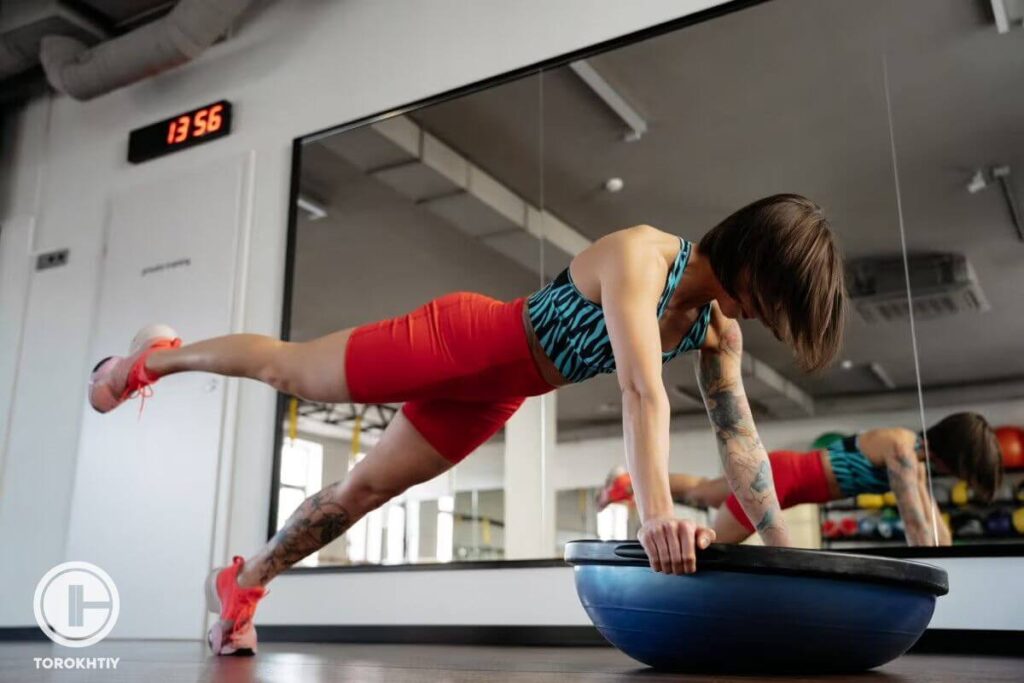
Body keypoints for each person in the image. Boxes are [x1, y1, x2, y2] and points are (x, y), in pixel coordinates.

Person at [87, 194, 846, 655]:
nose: (768, 319)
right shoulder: (644, 256)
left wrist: (788, 557)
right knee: (293, 371)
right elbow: (642, 390)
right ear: (754, 254)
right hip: (470, 337)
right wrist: (655, 517)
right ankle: (155, 360)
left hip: (498, 394)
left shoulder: (719, 330)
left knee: (359, 494)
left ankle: (243, 583)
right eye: (775, 298)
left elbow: (741, 439)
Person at [596, 412, 1004, 546]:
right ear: (956, 455)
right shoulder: (902, 450)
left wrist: (951, 556)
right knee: (714, 548)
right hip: (777, 482)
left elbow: (931, 516)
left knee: (703, 490)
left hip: (781, 471)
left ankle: (624, 482)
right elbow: (918, 525)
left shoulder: (915, 458)